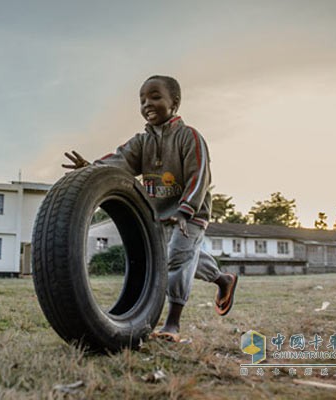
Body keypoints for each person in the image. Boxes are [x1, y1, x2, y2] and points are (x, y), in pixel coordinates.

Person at [62, 75, 238, 342]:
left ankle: (172, 323)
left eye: (155, 97)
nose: (147, 104)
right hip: (159, 214)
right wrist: (90, 167)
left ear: (175, 103)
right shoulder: (142, 142)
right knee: (183, 256)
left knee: (176, 258)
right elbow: (118, 161)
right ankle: (222, 279)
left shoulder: (189, 137)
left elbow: (199, 175)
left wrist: (186, 209)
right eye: (142, 100)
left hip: (190, 213)